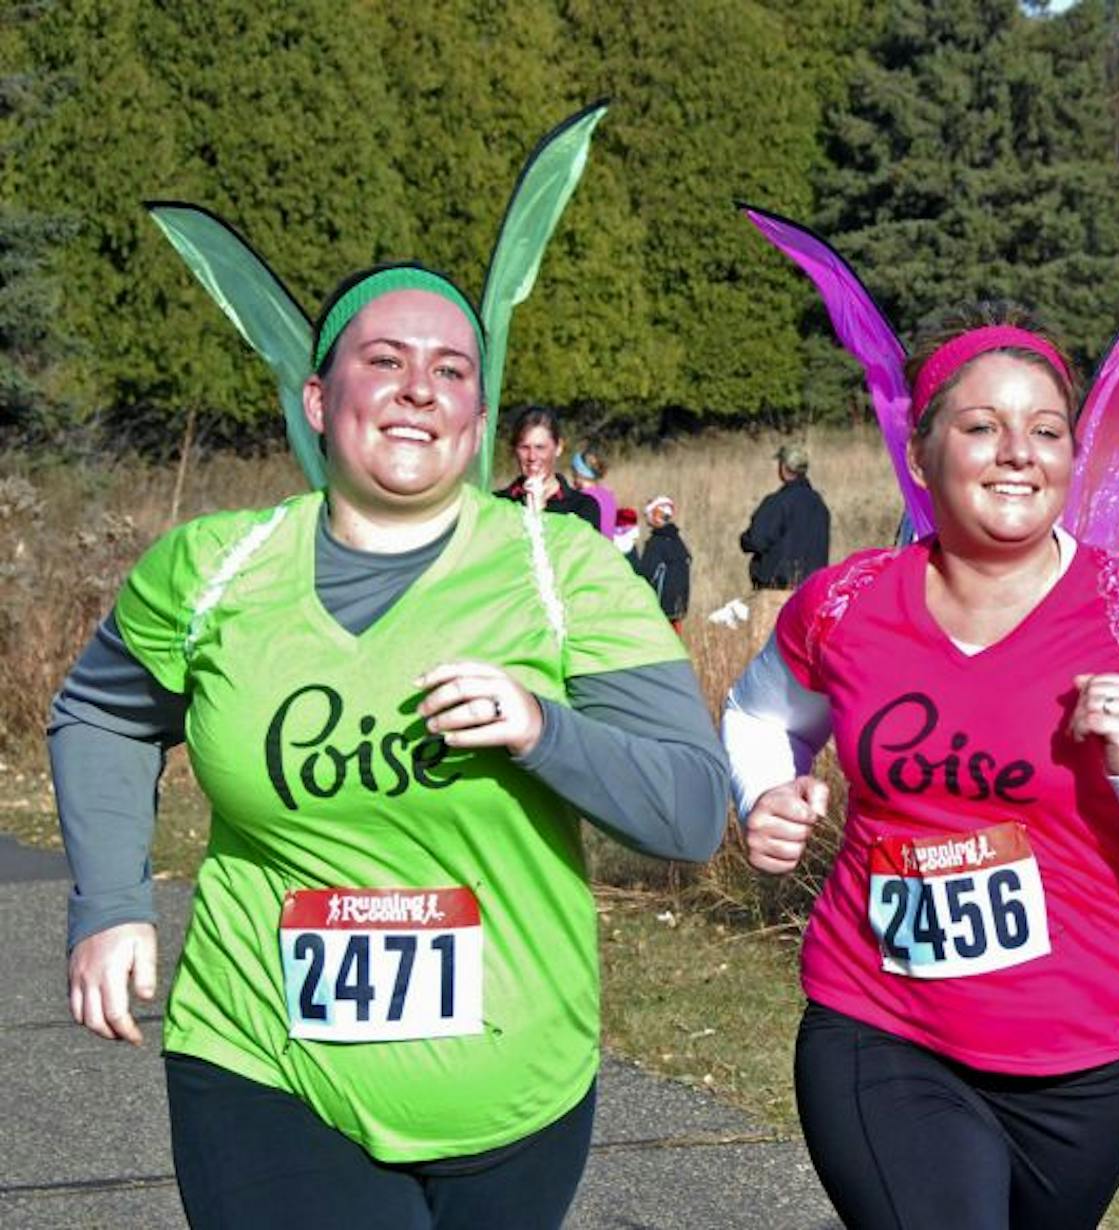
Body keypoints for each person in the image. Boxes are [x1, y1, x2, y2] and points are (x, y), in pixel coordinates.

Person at [52, 106, 731, 1228]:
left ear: (477, 414)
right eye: (385, 360)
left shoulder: (565, 572)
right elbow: (100, 714)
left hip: (517, 1086)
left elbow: (693, 812)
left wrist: (541, 729)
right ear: (320, 400)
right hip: (259, 1060)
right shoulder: (214, 568)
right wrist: (111, 902)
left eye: (452, 369)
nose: (419, 386)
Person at [721, 302, 1119, 1230]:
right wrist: (763, 793)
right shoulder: (847, 603)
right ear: (924, 455)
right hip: (880, 1022)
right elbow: (755, 715)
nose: (1018, 450)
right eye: (982, 427)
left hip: (1080, 1058)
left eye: (1045, 430)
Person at [740, 442, 832, 612]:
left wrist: (744, 539)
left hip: (777, 594)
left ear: (783, 468)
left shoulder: (777, 502)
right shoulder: (819, 505)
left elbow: (756, 541)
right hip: (813, 593)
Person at [497, 406, 602, 532]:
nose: (532, 456)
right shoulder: (498, 504)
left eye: (540, 447)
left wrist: (538, 514)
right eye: (524, 447)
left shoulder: (583, 507)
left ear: (558, 448)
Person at [636, 495, 692, 631]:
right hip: (679, 608)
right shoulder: (678, 542)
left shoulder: (656, 543)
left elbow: (646, 573)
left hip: (660, 611)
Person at [567, 445, 618, 535]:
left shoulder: (582, 499)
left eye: (573, 472)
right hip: (608, 547)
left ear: (579, 473)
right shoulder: (608, 495)